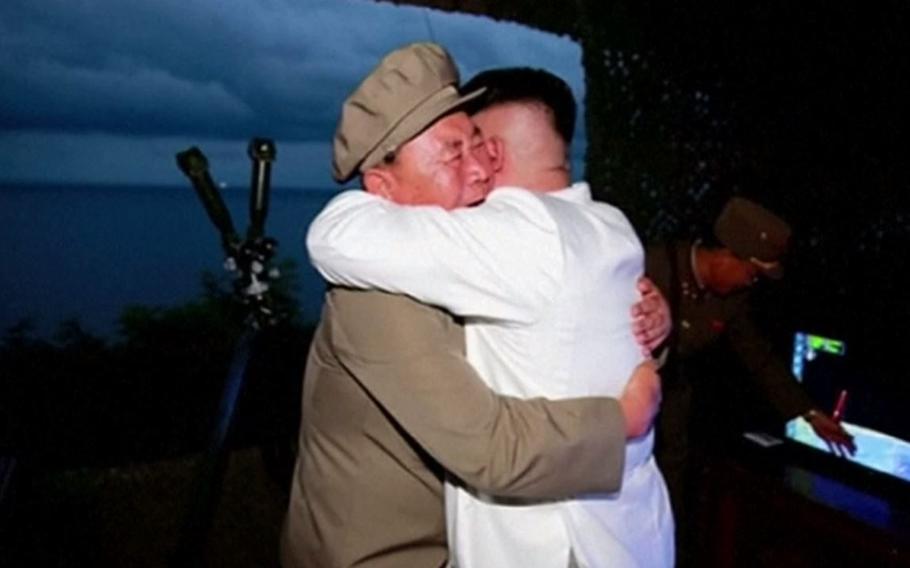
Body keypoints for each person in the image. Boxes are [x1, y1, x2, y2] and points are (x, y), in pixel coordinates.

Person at [281, 43, 670, 568]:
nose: (484, 170)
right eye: (453, 153)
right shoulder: (374, 295)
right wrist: (622, 418)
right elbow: (489, 448)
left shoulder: (471, 254)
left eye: (479, 148)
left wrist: (649, 327)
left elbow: (559, 334)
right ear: (383, 188)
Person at [647, 196, 856, 564]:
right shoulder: (651, 266)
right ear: (727, 254)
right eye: (753, 272)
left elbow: (758, 357)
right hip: (621, 416)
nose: (752, 282)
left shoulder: (733, 301)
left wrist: (807, 412)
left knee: (667, 515)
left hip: (671, 418)